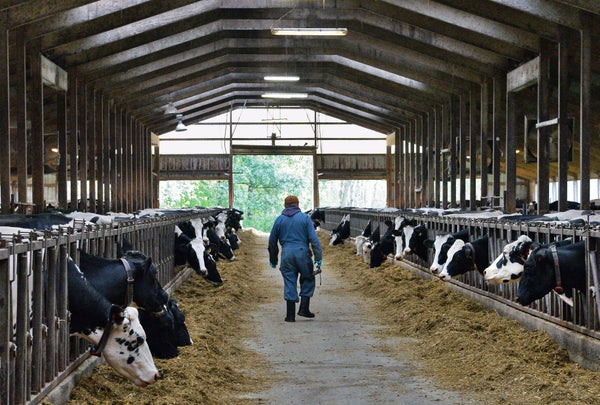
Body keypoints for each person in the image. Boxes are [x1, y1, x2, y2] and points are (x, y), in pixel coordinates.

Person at [268, 195, 323, 322]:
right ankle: (304, 309)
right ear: (298, 205)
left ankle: (290, 315)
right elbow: (314, 240)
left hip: (287, 254)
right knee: (308, 278)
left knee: (289, 281)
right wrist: (318, 258)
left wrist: (273, 258)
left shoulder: (279, 220)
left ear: (285, 205)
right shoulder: (305, 218)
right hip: (303, 253)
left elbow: (272, 241)